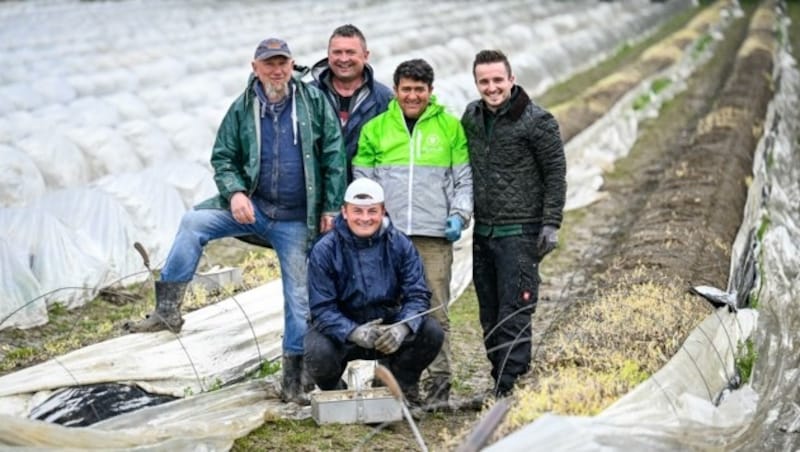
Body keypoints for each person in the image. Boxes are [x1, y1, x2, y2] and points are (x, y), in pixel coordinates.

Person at [124, 38, 347, 405]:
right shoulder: (243, 109)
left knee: (298, 299)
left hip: (295, 219)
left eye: (282, 63)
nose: (276, 70)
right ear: (254, 67)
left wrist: (331, 207)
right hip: (255, 208)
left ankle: (293, 381)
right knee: (193, 222)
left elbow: (334, 154)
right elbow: (223, 157)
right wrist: (235, 193)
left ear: (292, 65)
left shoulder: (311, 103)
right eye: (268, 64)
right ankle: (167, 311)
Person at [352, 59, 472, 405]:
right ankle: (398, 387)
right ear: (397, 90)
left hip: (433, 237)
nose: (413, 95)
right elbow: (363, 177)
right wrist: (375, 220)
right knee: (389, 311)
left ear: (430, 91)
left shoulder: (449, 128)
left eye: (420, 89)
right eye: (407, 89)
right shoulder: (377, 128)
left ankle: (439, 388)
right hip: (388, 238)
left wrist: (459, 215)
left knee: (434, 312)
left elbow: (463, 179)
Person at [460, 49, 566, 397]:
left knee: (515, 311)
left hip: (520, 233)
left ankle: (511, 386)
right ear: (476, 83)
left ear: (511, 80)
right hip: (485, 231)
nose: (491, 88)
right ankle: (499, 380)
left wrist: (551, 223)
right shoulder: (472, 117)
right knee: (489, 312)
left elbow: (555, 173)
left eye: (497, 80)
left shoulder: (537, 121)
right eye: (483, 81)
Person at [303, 178, 444, 403]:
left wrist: (402, 328)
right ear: (345, 212)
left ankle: (398, 384)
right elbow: (322, 308)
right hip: (344, 330)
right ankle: (335, 390)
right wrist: (353, 332)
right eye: (357, 211)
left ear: (383, 212)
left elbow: (417, 295)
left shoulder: (400, 245)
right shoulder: (325, 250)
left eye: (372, 211)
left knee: (432, 332)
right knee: (317, 351)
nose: (365, 218)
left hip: (388, 328)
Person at [310, 24, 393, 181]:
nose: (343, 59)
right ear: (328, 55)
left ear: (366, 55)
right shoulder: (309, 95)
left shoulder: (384, 99)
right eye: (337, 52)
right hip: (318, 194)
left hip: (364, 196)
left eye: (350, 52)